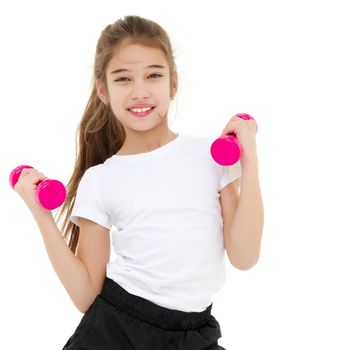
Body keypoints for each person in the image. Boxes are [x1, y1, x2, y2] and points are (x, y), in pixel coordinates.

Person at [14, 15, 264, 350]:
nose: (140, 91)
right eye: (123, 79)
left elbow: (244, 256)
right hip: (118, 331)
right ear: (102, 89)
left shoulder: (210, 157)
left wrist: (250, 160)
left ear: (174, 83)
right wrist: (41, 216)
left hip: (195, 333)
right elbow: (87, 295)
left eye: (154, 75)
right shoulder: (101, 180)